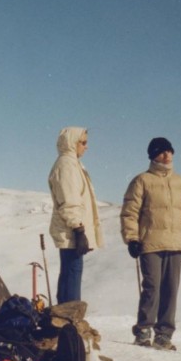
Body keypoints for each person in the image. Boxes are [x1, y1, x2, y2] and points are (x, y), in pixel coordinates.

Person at [120, 137, 181, 351]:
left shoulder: (180, 181)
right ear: (153, 155)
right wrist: (132, 238)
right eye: (162, 152)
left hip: (175, 243)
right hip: (150, 242)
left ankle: (164, 334)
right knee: (152, 287)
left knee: (171, 289)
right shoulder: (142, 180)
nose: (167, 155)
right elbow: (130, 212)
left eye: (169, 151)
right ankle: (144, 330)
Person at [48, 127, 103, 304]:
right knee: (72, 273)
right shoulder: (67, 165)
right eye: (83, 142)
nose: (86, 147)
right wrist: (79, 230)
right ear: (72, 143)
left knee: (69, 273)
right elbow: (69, 200)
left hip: (72, 229)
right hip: (71, 231)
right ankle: (70, 320)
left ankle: (65, 320)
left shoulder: (72, 164)